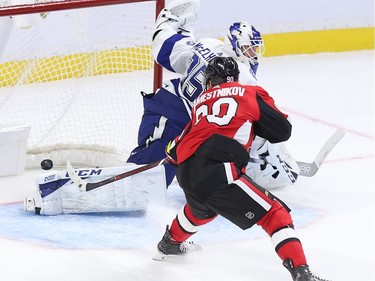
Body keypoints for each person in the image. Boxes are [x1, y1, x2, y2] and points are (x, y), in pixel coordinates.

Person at [152, 57, 330, 281]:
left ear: (209, 81)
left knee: (203, 208)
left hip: (187, 172)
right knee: (275, 214)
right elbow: (282, 131)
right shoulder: (249, 92)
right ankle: (302, 274)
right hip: (218, 167)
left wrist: (171, 150)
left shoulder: (200, 104)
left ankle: (170, 242)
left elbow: (175, 150)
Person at [127, 0, 298, 190]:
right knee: (148, 178)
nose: (253, 54)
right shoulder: (244, 78)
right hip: (174, 115)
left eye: (255, 49)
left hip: (179, 114)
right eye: (249, 48)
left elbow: (164, 48)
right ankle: (264, 158)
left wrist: (171, 22)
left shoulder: (207, 44)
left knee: (166, 169)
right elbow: (256, 119)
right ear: (235, 46)